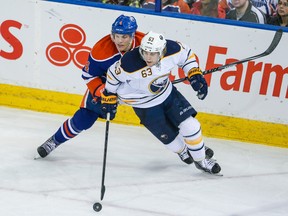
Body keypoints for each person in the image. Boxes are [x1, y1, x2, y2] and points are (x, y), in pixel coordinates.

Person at [100, 31, 221, 174]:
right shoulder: (129, 63)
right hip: (143, 105)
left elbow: (186, 55)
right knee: (173, 142)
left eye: (152, 54)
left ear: (162, 51)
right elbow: (113, 76)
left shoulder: (172, 49)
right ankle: (184, 150)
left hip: (167, 94)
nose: (148, 57)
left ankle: (201, 160)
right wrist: (109, 95)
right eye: (145, 52)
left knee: (191, 126)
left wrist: (193, 72)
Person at [35, 15, 145, 158]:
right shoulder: (101, 51)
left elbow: (168, 56)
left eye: (124, 37)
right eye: (116, 36)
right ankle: (54, 141)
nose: (119, 41)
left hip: (137, 85)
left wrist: (184, 68)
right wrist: (102, 92)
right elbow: (89, 76)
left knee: (159, 115)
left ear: (133, 35)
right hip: (107, 85)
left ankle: (182, 146)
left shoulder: (146, 44)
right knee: (84, 118)